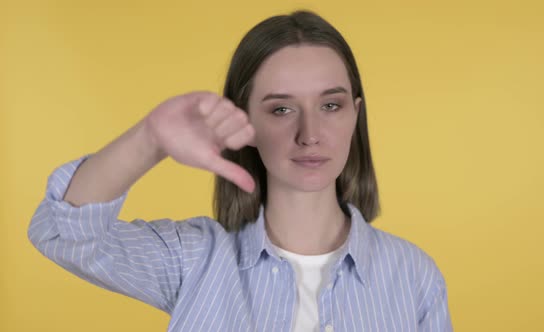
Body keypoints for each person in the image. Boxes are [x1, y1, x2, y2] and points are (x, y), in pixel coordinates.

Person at [28, 10, 452, 332]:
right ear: (243, 122)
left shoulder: (414, 275)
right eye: (281, 109)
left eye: (330, 105)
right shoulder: (192, 260)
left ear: (355, 115)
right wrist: (149, 139)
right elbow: (64, 235)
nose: (310, 134)